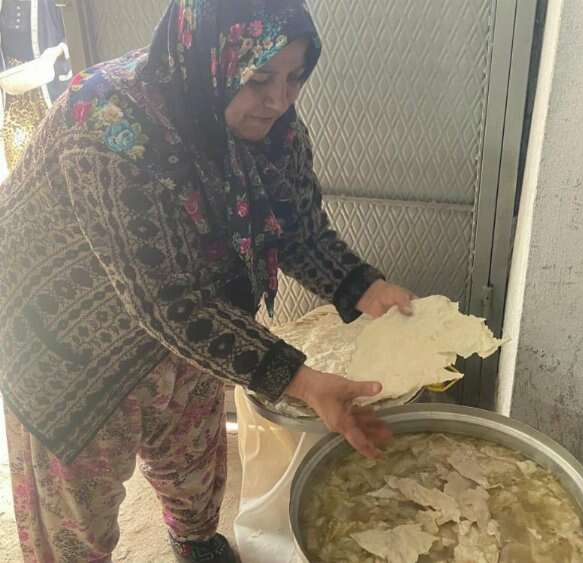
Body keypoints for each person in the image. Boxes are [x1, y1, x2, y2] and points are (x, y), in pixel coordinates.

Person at [0, 1, 414, 561]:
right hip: (68, 341)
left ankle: (194, 541)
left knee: (191, 455)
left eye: (295, 76)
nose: (280, 99)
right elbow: (168, 302)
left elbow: (296, 227)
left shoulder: (273, 125)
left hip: (193, 315)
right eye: (260, 78)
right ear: (211, 58)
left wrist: (363, 287)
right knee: (77, 514)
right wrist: (303, 381)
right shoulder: (105, 126)